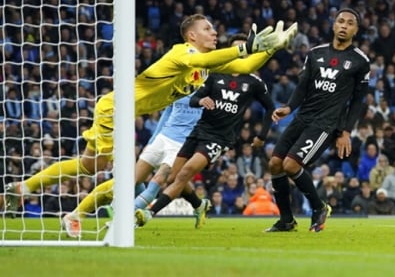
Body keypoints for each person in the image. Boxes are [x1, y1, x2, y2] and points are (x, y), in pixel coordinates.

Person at [3, 14, 296, 237]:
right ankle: (67, 210)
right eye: (208, 29)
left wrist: (273, 48)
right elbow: (236, 56)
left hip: (121, 113)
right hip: (114, 110)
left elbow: (243, 67)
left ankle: (23, 189)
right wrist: (246, 46)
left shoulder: (206, 62)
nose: (215, 32)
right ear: (192, 36)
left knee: (91, 165)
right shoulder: (182, 52)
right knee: (113, 172)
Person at [135, 33, 276, 227]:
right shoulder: (215, 74)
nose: (242, 55)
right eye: (238, 50)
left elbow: (270, 108)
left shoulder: (253, 82)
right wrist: (201, 100)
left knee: (184, 174)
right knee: (174, 178)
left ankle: (148, 214)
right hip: (198, 131)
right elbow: (194, 99)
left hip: (220, 138)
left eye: (246, 50)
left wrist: (261, 135)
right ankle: (199, 205)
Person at [266, 8, 370, 232]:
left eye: (349, 23)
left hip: (326, 123)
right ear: (333, 25)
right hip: (303, 117)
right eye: (340, 21)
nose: (344, 26)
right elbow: (302, 86)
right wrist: (289, 107)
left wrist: (345, 132)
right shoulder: (315, 53)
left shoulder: (360, 61)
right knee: (275, 164)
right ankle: (286, 220)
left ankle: (318, 206)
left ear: (356, 30)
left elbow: (358, 102)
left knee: (291, 164)